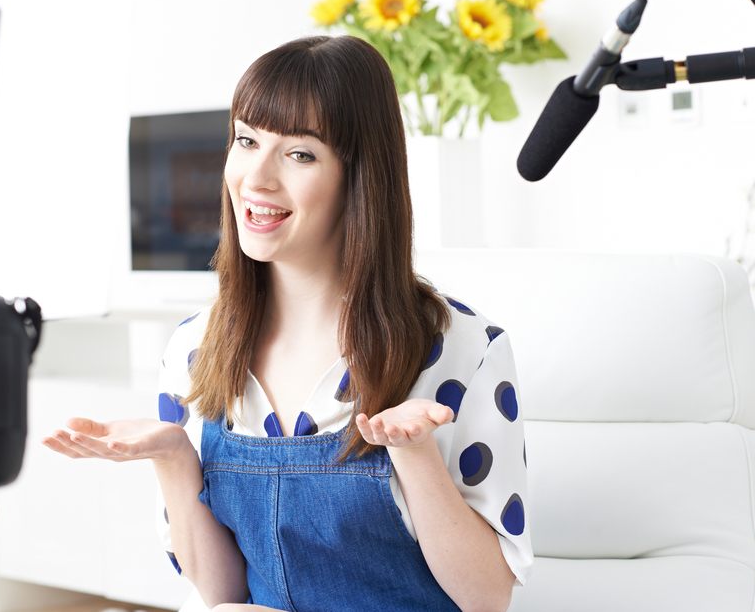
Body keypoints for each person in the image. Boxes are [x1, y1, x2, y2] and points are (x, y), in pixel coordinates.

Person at [43, 35, 532, 612]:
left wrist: (415, 454)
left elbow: (487, 599)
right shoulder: (195, 349)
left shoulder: (464, 350)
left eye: (299, 154)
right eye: (246, 140)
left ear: (360, 176)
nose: (257, 179)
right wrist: (174, 456)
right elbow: (223, 594)